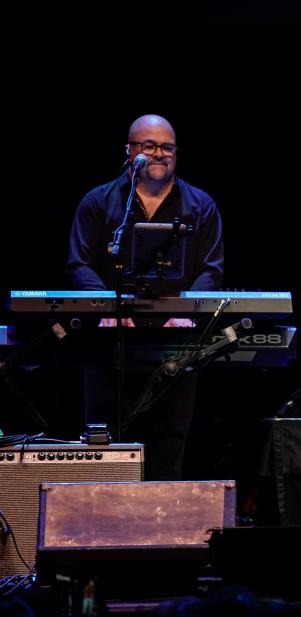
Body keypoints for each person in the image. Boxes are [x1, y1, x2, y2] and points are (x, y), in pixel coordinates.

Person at [66, 114, 224, 480]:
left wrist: (185, 310)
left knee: (169, 443)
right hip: (109, 340)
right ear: (130, 151)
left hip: (175, 339)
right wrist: (106, 308)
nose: (159, 153)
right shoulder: (99, 201)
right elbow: (79, 263)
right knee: (106, 445)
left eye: (167, 147)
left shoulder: (201, 205)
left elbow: (211, 269)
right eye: (149, 145)